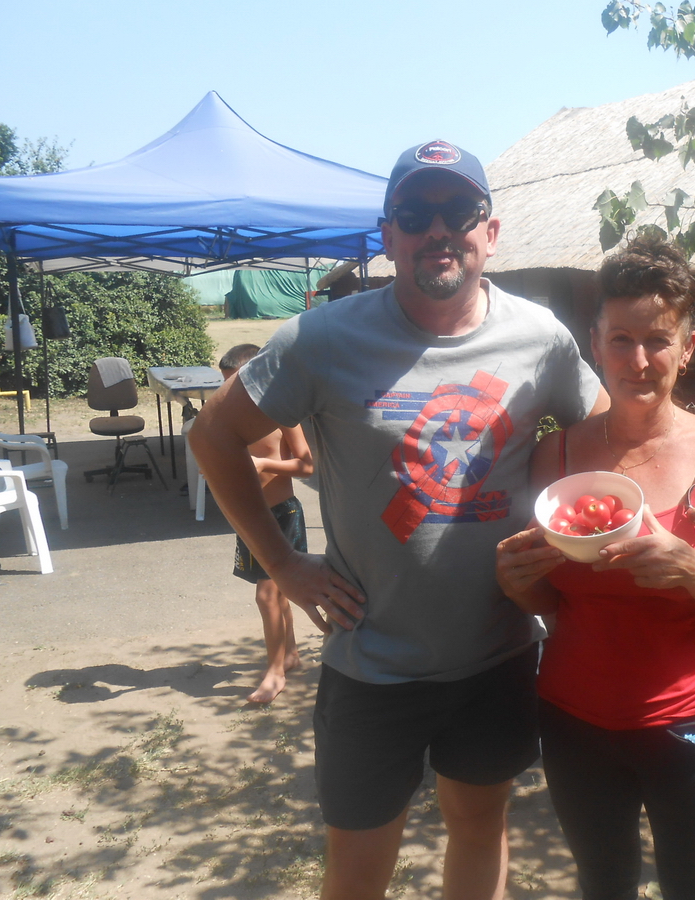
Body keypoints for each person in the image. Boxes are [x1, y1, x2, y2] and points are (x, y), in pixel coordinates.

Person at [189, 139, 606, 900]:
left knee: (480, 829)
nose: (437, 228)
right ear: (388, 236)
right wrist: (282, 563)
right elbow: (212, 436)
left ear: (490, 232)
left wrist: (576, 530)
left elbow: (607, 437)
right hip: (371, 664)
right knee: (356, 873)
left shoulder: (541, 338)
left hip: (497, 654)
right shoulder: (323, 338)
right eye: (414, 214)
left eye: (460, 211)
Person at [495, 234, 695, 900]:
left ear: (688, 346)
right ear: (594, 344)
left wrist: (691, 568)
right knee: (603, 885)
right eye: (621, 339)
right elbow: (553, 600)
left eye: (658, 340)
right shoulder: (556, 458)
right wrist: (517, 584)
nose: (639, 360)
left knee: (694, 890)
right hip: (574, 719)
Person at [217, 343, 316, 704]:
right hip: (251, 517)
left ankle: (275, 674)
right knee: (278, 593)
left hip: (281, 515)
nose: (228, 392)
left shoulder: (280, 416)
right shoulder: (232, 419)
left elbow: (306, 465)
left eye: (234, 383)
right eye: (224, 384)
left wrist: (264, 465)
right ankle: (289, 653)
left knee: (267, 595)